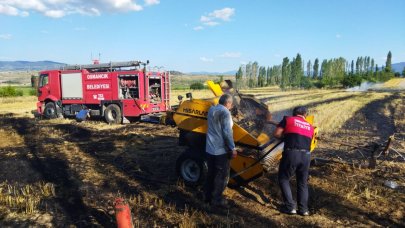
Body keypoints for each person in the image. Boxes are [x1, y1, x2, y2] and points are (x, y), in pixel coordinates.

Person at [273, 106, 314, 216]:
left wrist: (286, 137)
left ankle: (290, 207)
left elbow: (276, 134)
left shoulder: (287, 119)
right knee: (302, 183)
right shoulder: (310, 126)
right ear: (305, 114)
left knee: (284, 178)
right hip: (306, 156)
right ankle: (304, 210)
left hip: (292, 153)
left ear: (293, 113)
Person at [204, 93, 238, 207]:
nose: (231, 107)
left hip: (209, 148)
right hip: (220, 151)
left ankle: (207, 197)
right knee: (221, 176)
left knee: (211, 173)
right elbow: (227, 133)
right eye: (231, 104)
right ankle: (216, 200)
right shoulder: (225, 112)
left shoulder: (212, 109)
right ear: (227, 103)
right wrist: (232, 148)